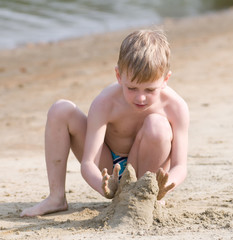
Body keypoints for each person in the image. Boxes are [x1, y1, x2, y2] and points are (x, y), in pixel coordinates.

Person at [20, 29, 189, 217]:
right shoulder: (106, 102)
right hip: (109, 165)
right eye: (131, 88)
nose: (140, 97)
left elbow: (180, 166)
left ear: (165, 79)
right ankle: (56, 197)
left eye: (150, 90)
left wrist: (166, 186)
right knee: (60, 109)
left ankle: (144, 197)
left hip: (148, 167)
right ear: (118, 75)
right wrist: (104, 187)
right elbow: (89, 162)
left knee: (157, 125)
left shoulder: (175, 106)